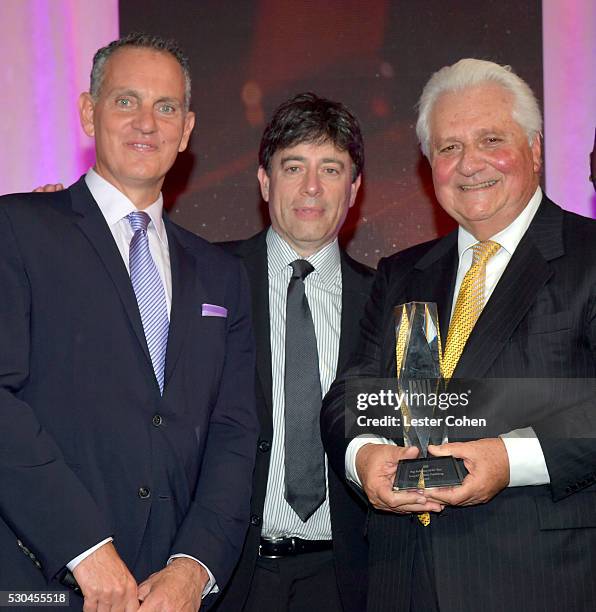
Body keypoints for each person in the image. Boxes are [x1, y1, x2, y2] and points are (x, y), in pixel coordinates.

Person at [321, 59, 596, 612]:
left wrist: (506, 460)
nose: (469, 164)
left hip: (539, 584)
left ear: (535, 150)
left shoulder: (587, 256)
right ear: (429, 167)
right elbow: (347, 399)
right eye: (448, 148)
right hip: (403, 581)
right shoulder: (400, 272)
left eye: (491, 139)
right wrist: (364, 456)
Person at [0, 33, 258, 612]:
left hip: (174, 595)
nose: (147, 122)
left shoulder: (221, 275)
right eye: (125, 101)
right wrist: (84, 549)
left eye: (166, 107)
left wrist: (195, 569)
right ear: (89, 114)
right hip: (39, 582)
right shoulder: (16, 230)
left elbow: (234, 435)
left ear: (187, 129)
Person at [213, 93, 374, 612]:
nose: (311, 187)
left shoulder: (388, 300)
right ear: (264, 181)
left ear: (354, 189)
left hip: (349, 578)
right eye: (293, 166)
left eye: (330, 168)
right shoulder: (204, 278)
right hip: (228, 573)